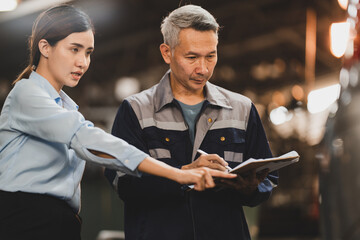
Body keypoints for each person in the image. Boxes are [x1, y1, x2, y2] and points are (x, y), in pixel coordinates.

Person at [0, 4, 236, 240]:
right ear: (45, 47)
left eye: (88, 52)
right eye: (74, 49)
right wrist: (177, 175)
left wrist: (180, 171)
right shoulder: (26, 94)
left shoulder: (65, 107)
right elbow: (87, 139)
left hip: (60, 222)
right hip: (25, 220)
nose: (82, 62)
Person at [105, 4, 279, 240]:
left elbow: (267, 178)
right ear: (167, 53)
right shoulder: (136, 110)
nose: (203, 69)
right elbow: (122, 182)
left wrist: (251, 188)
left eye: (211, 56)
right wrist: (183, 174)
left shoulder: (242, 109)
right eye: (192, 57)